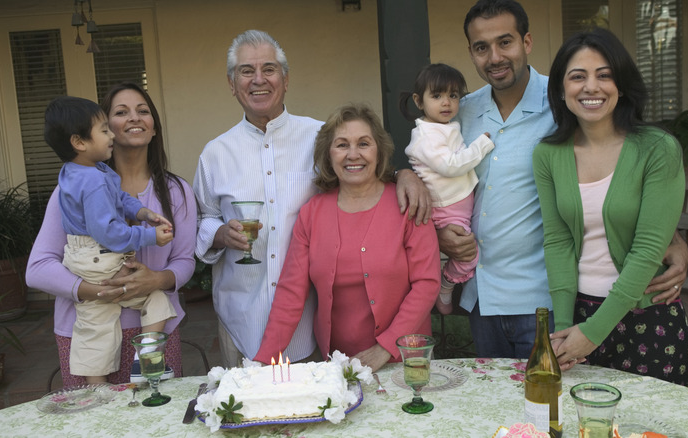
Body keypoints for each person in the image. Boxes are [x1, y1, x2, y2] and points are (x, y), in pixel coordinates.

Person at [437, 0, 688, 359]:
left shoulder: (567, 101)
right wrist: (407, 181)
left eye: (505, 42)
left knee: (557, 410)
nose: (495, 57)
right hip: (484, 294)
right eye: (482, 47)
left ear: (527, 42)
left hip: (551, 298)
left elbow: (622, 178)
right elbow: (429, 165)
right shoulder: (459, 111)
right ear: (471, 53)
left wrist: (674, 239)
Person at [193, 30, 430, 367]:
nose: (258, 79)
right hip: (240, 315)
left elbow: (362, 168)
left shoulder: (320, 136)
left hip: (310, 328)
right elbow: (203, 217)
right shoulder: (213, 154)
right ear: (232, 83)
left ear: (286, 79)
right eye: (246, 71)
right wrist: (218, 233)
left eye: (269, 69)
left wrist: (404, 174)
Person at [533, 27, 688, 384]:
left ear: (621, 84)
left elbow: (649, 248)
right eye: (578, 77)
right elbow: (557, 241)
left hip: (649, 318)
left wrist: (595, 331)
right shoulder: (548, 154)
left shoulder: (658, 149)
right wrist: (563, 331)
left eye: (604, 75)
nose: (592, 87)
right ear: (561, 88)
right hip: (578, 316)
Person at [27, 83, 196, 386]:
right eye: (120, 113)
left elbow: (185, 260)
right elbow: (38, 270)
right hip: (86, 330)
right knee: (98, 423)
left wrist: (156, 280)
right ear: (103, 129)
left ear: (154, 127)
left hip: (153, 330)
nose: (134, 118)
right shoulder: (71, 190)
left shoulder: (177, 191)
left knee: (157, 428)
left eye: (143, 111)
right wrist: (100, 292)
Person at [253, 103, 440, 372]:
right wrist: (263, 361)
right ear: (328, 154)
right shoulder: (312, 214)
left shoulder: (408, 203)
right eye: (342, 145)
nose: (353, 154)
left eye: (364, 143)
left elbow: (427, 283)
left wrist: (385, 348)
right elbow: (291, 292)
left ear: (379, 150)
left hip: (403, 359)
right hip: (339, 365)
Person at [399, 63, 494, 315]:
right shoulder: (425, 136)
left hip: (458, 202)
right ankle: (446, 284)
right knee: (469, 256)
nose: (446, 103)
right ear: (419, 101)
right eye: (437, 95)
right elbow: (451, 166)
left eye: (453, 96)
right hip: (446, 207)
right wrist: (481, 145)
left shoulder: (445, 126)